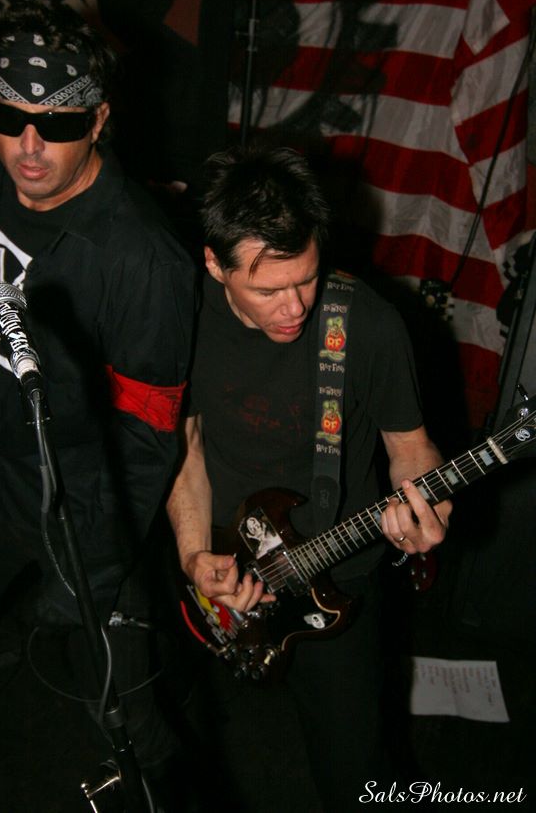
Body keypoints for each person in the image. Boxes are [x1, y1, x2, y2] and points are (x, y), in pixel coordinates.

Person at [0, 0, 196, 806]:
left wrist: (98, 566)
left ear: (102, 119)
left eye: (59, 123)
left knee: (120, 709)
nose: (30, 146)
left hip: (86, 509)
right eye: (7, 117)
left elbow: (148, 439)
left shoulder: (144, 259)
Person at [166, 144, 452, 810]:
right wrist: (195, 555)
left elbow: (411, 450)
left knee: (355, 769)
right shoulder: (183, 317)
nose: (294, 307)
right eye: (268, 291)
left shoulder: (369, 325)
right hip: (229, 558)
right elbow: (188, 448)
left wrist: (431, 506)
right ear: (214, 264)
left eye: (307, 279)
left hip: (336, 571)